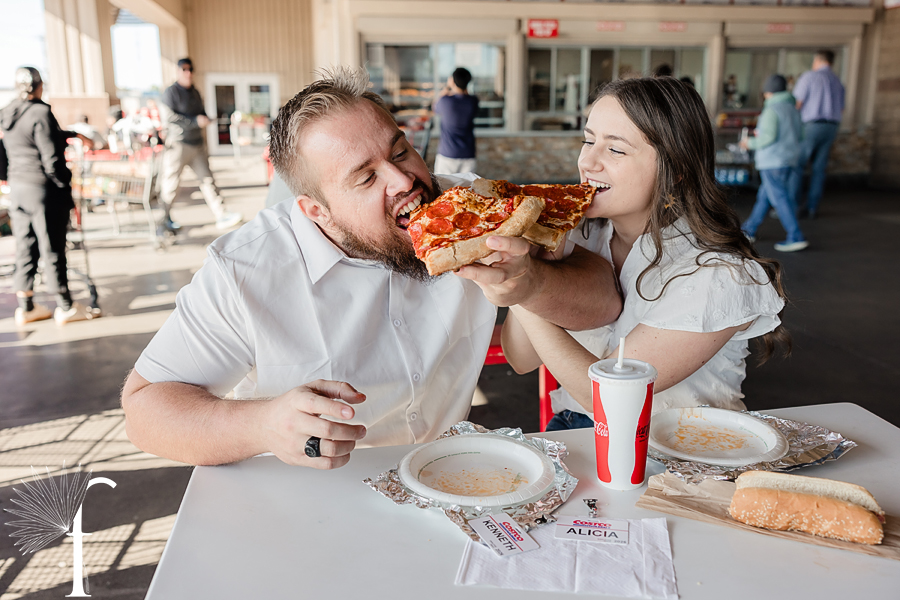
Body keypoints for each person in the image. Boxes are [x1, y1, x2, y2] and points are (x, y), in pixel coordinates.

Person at [120, 67, 621, 468]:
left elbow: (602, 294)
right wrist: (263, 424)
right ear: (316, 210)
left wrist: (532, 283)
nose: (404, 179)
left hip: (450, 474)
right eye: (365, 178)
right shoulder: (246, 269)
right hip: (310, 496)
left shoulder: (472, 203)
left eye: (400, 150)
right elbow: (145, 410)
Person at [499, 77, 789, 430]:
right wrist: (527, 269)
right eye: (588, 141)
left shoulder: (719, 273)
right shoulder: (578, 238)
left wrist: (525, 286)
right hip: (572, 432)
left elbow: (608, 397)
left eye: (615, 149)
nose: (587, 162)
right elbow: (520, 359)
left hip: (680, 453)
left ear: (677, 168)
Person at [0, 67, 99, 325]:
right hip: (43, 191)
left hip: (18, 189)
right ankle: (65, 305)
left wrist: (73, 135)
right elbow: (51, 158)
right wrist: (65, 185)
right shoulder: (41, 112)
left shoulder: (9, 113)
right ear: (40, 86)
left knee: (25, 246)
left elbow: (34, 138)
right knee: (53, 247)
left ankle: (27, 306)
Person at [158, 57, 242, 233]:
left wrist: (206, 118)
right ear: (178, 71)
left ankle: (222, 214)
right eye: (184, 69)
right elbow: (171, 118)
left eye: (190, 69)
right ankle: (164, 219)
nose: (187, 72)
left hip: (197, 145)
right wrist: (196, 121)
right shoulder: (170, 93)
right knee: (171, 183)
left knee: (208, 180)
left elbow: (201, 113)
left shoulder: (195, 92)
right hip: (178, 144)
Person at [740, 74, 808, 253]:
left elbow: (768, 138)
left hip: (772, 161)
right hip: (788, 159)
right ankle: (748, 230)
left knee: (779, 197)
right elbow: (801, 135)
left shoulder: (771, 110)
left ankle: (795, 236)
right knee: (765, 196)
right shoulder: (793, 109)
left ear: (767, 92)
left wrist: (749, 143)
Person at [792, 49, 844, 219]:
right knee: (819, 169)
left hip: (811, 126)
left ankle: (791, 207)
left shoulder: (809, 77)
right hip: (832, 127)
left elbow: (797, 104)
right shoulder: (838, 82)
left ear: (818, 60)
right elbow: (842, 108)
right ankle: (813, 207)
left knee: (797, 165)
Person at [432, 68, 479, 175]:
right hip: (468, 153)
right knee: (468, 190)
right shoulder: (473, 101)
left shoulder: (445, 101)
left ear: (452, 81)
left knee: (443, 188)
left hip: (447, 154)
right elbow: (465, 94)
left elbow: (435, 107)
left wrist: (448, 86)